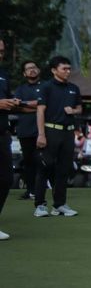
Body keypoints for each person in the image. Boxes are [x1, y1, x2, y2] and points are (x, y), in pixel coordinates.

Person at [33, 55, 83, 218]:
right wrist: (41, 134)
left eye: (69, 68)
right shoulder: (46, 87)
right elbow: (40, 110)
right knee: (45, 167)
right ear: (54, 70)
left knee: (64, 169)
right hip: (50, 131)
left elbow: (79, 108)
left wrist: (73, 111)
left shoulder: (74, 88)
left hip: (68, 132)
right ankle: (40, 205)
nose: (68, 71)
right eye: (64, 69)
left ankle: (59, 204)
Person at [12, 59, 42, 202]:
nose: (32, 70)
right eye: (29, 68)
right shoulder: (20, 89)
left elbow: (44, 104)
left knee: (42, 161)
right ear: (24, 74)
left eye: (34, 67)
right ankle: (30, 191)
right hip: (25, 130)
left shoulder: (45, 87)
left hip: (42, 131)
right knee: (28, 162)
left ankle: (41, 190)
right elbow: (16, 106)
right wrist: (36, 107)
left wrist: (26, 105)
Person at [0, 40, 17, 239]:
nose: (0, 54)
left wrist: (14, 103)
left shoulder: (3, 74)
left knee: (6, 179)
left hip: (2, 134)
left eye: (3, 51)